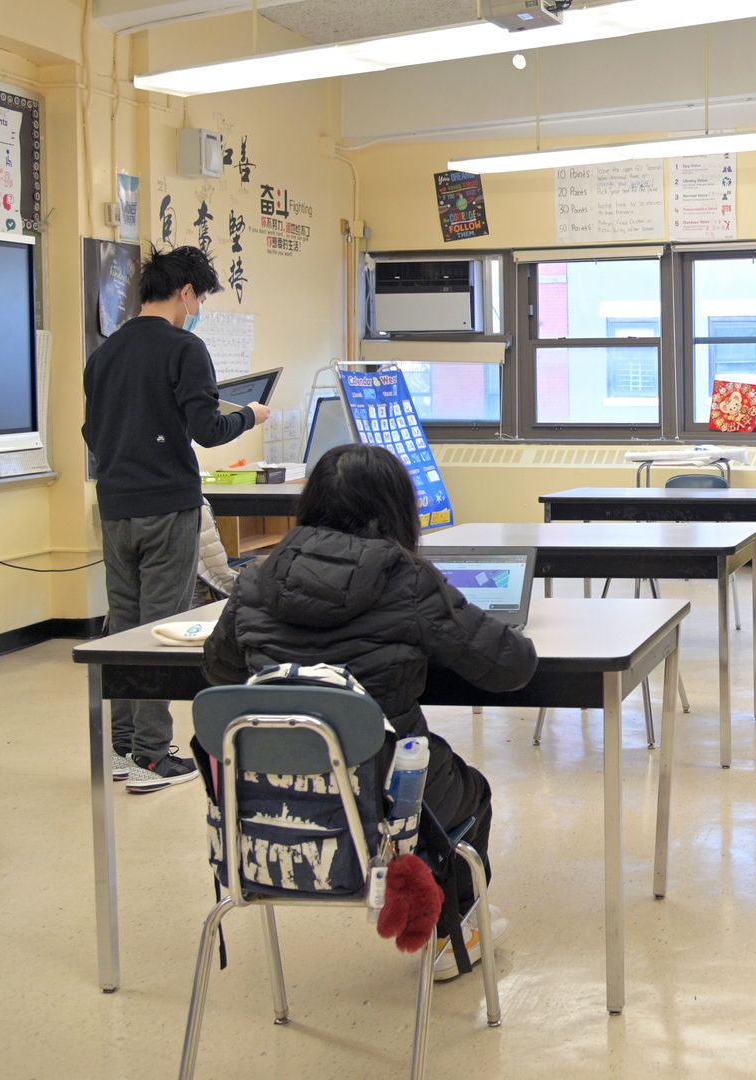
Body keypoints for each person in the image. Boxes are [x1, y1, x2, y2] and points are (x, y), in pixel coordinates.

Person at [203, 443, 538, 980]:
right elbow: (510, 666)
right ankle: (452, 935)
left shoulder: (254, 581)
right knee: (470, 791)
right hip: (383, 792)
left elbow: (220, 678)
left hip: (271, 797)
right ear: (397, 508)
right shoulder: (407, 579)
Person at [83, 245, 269, 794]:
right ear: (185, 292)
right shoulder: (185, 347)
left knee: (124, 624)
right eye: (200, 297)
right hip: (168, 503)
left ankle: (121, 746)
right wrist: (247, 414)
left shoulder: (104, 353)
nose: (198, 308)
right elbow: (207, 428)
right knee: (162, 627)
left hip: (115, 506)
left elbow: (93, 434)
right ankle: (151, 755)